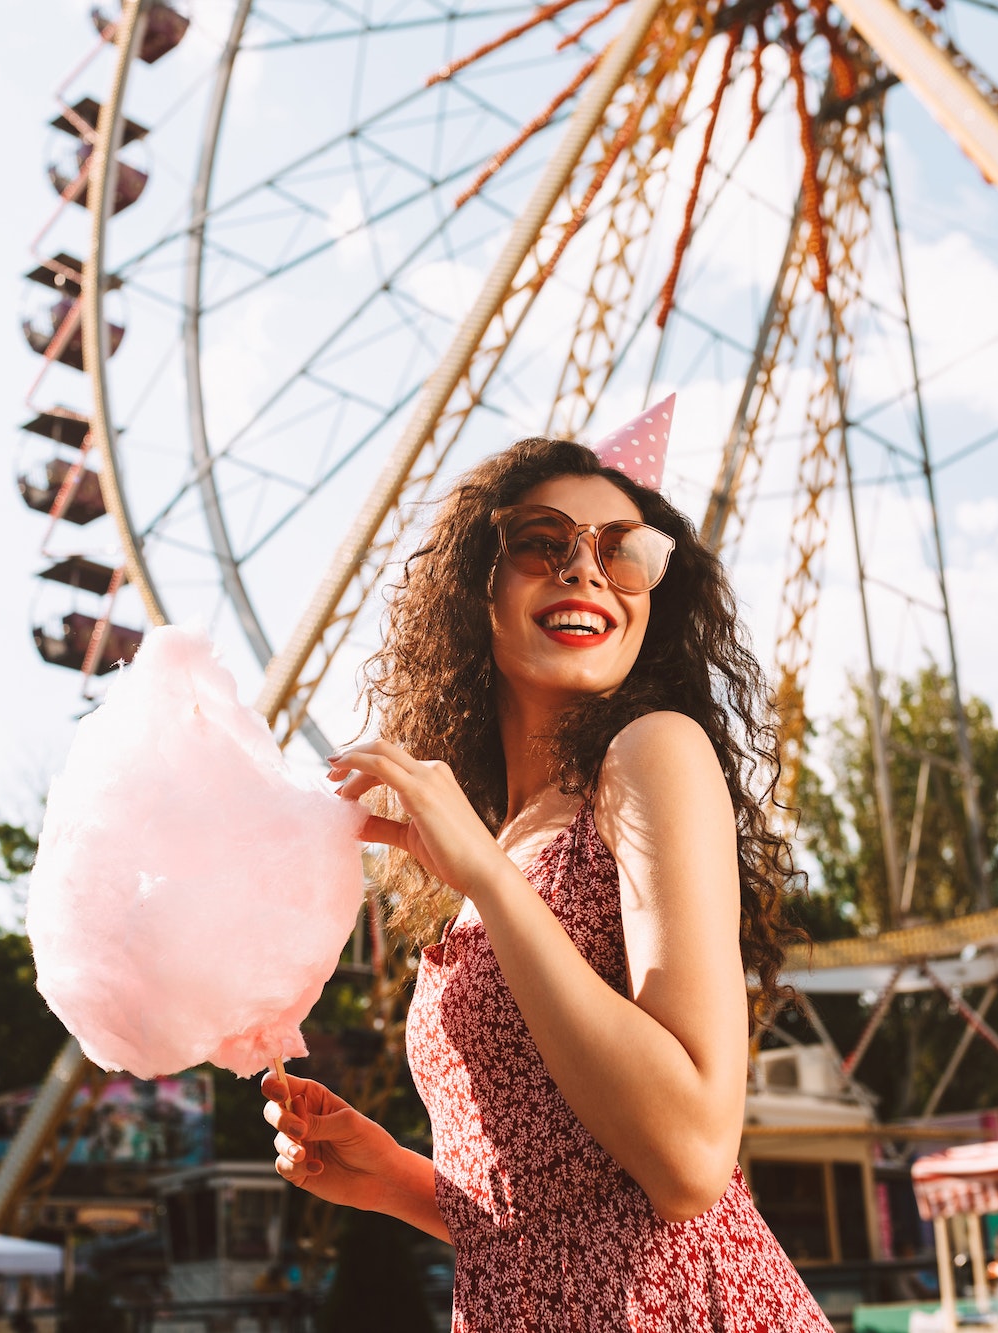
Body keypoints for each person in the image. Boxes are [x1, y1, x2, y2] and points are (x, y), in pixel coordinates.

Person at [262, 408, 830, 1330]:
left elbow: (689, 1159)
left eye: (625, 551)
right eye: (542, 542)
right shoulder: (509, 837)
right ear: (472, 591)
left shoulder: (653, 753)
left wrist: (488, 877)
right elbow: (568, 1210)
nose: (585, 569)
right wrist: (403, 1179)